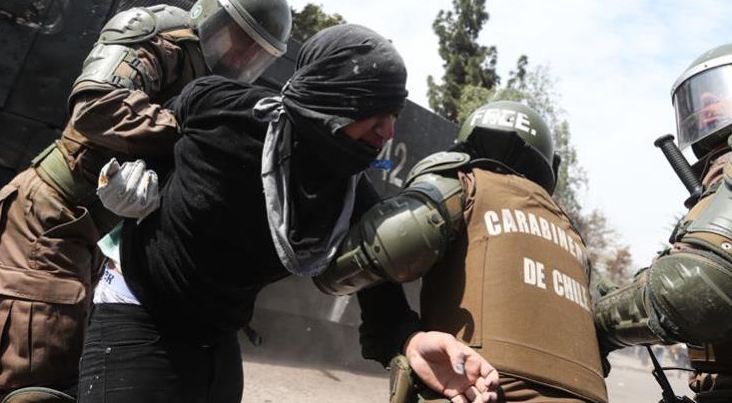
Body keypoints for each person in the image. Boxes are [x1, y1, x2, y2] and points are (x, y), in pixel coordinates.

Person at [80, 24, 500, 403]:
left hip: (217, 336)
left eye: (394, 114)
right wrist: (125, 183)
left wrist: (410, 340)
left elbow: (379, 286)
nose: (387, 131)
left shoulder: (350, 192)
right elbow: (146, 130)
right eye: (374, 108)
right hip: (137, 308)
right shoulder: (220, 107)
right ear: (330, 93)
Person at [0, 0, 291, 400]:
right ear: (209, 17)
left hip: (102, 235)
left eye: (255, 54)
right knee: (34, 367)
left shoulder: (218, 94)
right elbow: (95, 107)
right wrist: (197, 137)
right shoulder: (156, 37)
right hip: (51, 216)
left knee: (82, 365)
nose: (241, 56)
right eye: (236, 38)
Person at [316, 100, 609, 403]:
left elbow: (351, 265)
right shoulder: (574, 238)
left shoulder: (465, 184)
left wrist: (400, 333)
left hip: (476, 392)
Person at [593, 42, 732, 403]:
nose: (709, 109)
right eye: (699, 101)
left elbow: (696, 289)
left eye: (724, 92)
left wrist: (599, 320)